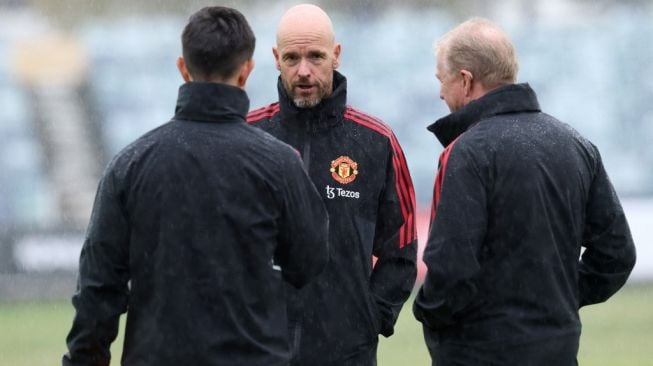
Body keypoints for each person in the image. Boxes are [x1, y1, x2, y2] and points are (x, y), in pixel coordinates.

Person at [62, 6, 329, 366]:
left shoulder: (130, 164)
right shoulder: (280, 164)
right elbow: (308, 262)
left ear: (183, 68)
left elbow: (98, 288)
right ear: (247, 70)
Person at [413, 17, 637, 365]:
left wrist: (427, 311)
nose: (441, 92)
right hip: (558, 351)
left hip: (479, 353)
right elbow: (616, 254)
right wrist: (558, 299)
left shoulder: (467, 151)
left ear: (466, 81)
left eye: (442, 80)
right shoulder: (577, 145)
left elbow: (450, 267)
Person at [247, 4, 417, 365]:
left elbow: (400, 249)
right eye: (292, 58)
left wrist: (369, 317)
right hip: (258, 350)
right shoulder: (248, 137)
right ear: (276, 58)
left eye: (315, 56)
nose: (304, 70)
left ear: (336, 56)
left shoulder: (376, 142)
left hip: (346, 354)